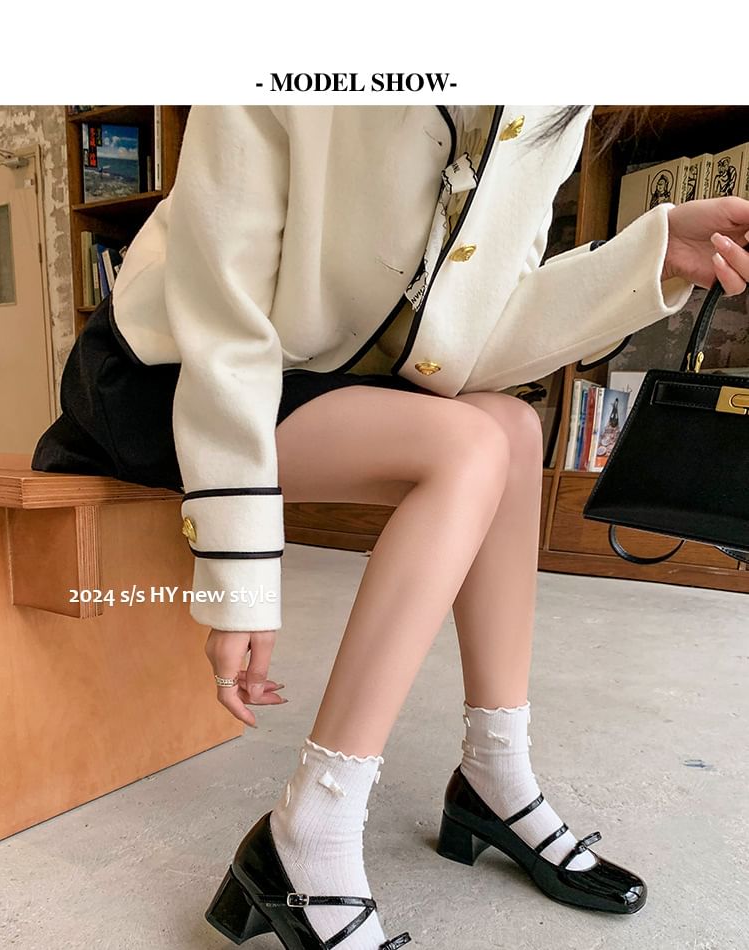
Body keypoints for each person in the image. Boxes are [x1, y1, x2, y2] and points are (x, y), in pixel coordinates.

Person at [44, 105, 749, 948]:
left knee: (511, 429)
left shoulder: (555, 97)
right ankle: (311, 829)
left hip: (328, 372)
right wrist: (239, 572)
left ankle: (496, 773)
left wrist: (649, 256)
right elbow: (221, 321)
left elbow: (475, 342)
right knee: (466, 447)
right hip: (177, 368)